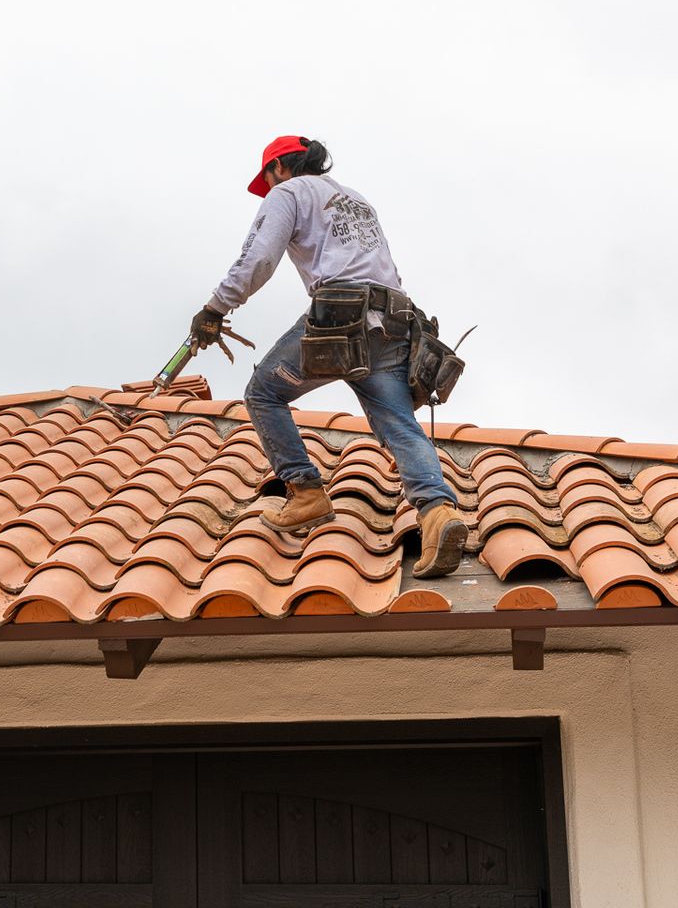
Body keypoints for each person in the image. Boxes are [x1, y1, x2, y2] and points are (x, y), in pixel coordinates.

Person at [189, 135, 468, 578]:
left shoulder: (288, 192)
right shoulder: (356, 199)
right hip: (395, 317)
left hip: (342, 315)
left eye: (266, 177)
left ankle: (305, 493)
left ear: (280, 167)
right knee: (398, 421)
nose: (268, 185)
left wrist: (215, 308)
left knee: (263, 393)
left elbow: (259, 259)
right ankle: (437, 512)